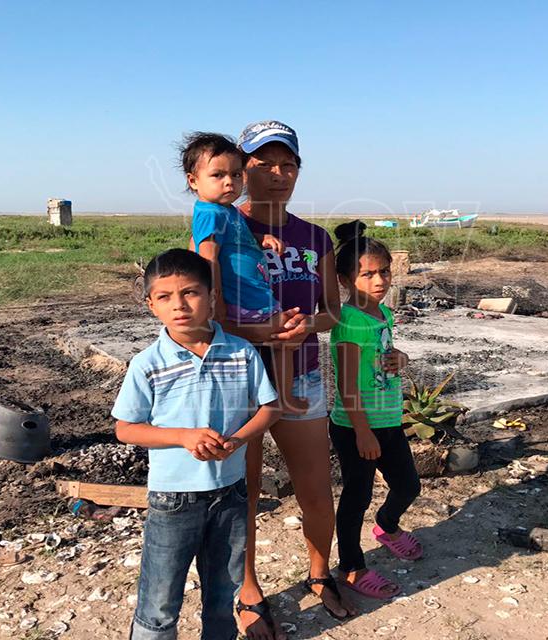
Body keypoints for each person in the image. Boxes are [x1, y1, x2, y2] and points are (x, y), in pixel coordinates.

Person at [112, 249, 282, 640]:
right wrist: (182, 436)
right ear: (151, 304)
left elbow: (270, 409)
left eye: (190, 292)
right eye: (165, 296)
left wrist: (237, 440)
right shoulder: (147, 364)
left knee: (223, 596)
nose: (180, 305)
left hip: (230, 494)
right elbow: (126, 428)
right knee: (159, 604)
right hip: (173, 499)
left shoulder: (241, 353)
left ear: (212, 297)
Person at [234, 120, 356, 639]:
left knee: (316, 488)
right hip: (241, 382)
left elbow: (333, 310)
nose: (278, 174)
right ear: (243, 168)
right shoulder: (222, 228)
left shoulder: (315, 238)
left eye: (289, 165)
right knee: (244, 492)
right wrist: (260, 331)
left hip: (301, 377)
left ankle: (319, 572)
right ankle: (247, 591)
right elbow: (203, 309)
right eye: (265, 163)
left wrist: (308, 325)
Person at [329, 221, 422, 599]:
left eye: (384, 271)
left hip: (388, 418)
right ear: (345, 279)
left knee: (408, 485)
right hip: (356, 426)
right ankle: (351, 566)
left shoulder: (383, 314)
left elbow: (385, 354)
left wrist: (401, 358)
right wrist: (363, 432)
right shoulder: (349, 322)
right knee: (357, 497)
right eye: (367, 274)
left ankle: (386, 525)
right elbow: (346, 384)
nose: (379, 280)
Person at [184, 132, 308, 415]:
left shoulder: (227, 211)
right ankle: (280, 398)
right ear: (193, 181)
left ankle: (273, 398)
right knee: (280, 338)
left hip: (253, 295)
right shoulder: (210, 213)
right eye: (218, 175)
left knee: (276, 340)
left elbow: (236, 240)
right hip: (241, 298)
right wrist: (216, 300)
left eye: (236, 174)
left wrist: (262, 238)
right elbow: (208, 258)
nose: (229, 182)